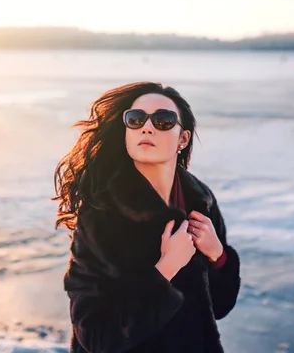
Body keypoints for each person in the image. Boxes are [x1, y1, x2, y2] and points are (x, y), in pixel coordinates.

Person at [53, 81, 241, 352]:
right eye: (136, 119)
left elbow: (220, 308)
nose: (147, 127)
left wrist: (218, 257)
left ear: (183, 139)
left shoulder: (200, 202)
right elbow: (96, 336)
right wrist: (166, 269)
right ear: (126, 133)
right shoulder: (102, 215)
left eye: (164, 120)